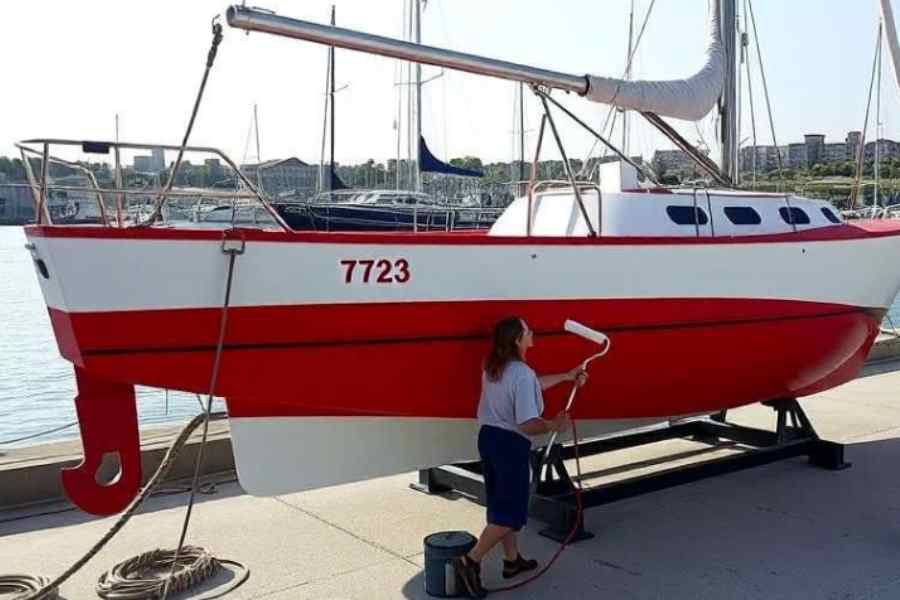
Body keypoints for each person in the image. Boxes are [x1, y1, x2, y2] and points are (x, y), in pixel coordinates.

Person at [453, 316, 588, 598]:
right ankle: (470, 561)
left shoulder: (495, 367)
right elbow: (527, 424)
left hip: (489, 439)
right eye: (528, 331)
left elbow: (532, 384)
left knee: (500, 502)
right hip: (510, 445)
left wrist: (566, 376)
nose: (532, 333)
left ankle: (512, 561)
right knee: (511, 513)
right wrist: (553, 425)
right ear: (517, 340)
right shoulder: (520, 373)